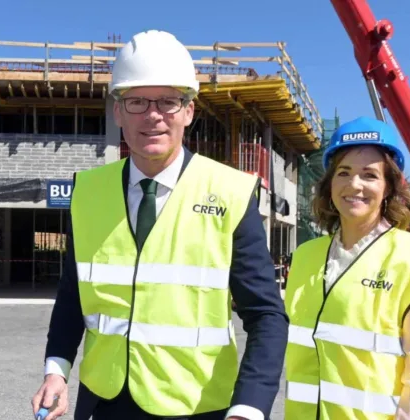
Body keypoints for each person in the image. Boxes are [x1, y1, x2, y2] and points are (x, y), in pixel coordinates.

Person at [31, 29, 288, 420]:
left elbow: (266, 315)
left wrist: (249, 406)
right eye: (136, 101)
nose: (153, 115)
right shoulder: (88, 192)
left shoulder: (232, 193)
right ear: (117, 111)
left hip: (198, 407)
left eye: (168, 101)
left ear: (189, 111)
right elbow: (73, 296)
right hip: (102, 402)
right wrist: (57, 370)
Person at [282, 116, 410, 419]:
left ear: (388, 187)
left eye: (370, 175)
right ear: (330, 183)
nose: (354, 185)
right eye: (343, 173)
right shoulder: (306, 256)